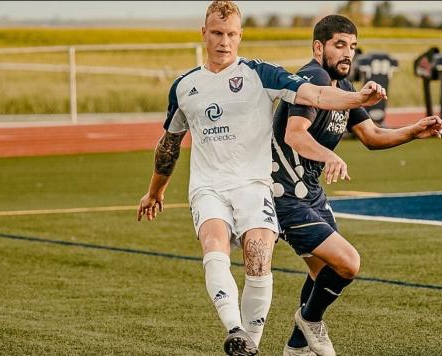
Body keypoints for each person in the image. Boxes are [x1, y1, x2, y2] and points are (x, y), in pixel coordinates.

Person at [136, 2, 386, 356]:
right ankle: (235, 329)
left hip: (254, 185)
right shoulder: (184, 87)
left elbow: (314, 94)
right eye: (218, 34)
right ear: (204, 34)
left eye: (232, 34)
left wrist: (358, 97)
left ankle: (249, 345)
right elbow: (169, 145)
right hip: (208, 187)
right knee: (214, 242)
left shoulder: (260, 74)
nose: (225, 42)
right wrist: (154, 191)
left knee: (258, 257)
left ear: (240, 36)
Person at [270, 15, 442, 356]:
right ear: (318, 48)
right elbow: (295, 134)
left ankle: (296, 349)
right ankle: (310, 323)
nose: (347, 53)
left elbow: (372, 136)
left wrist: (413, 131)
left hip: (311, 193)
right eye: (339, 45)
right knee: (348, 263)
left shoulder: (345, 90)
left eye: (352, 46)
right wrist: (330, 156)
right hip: (284, 193)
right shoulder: (312, 78)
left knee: (323, 274)